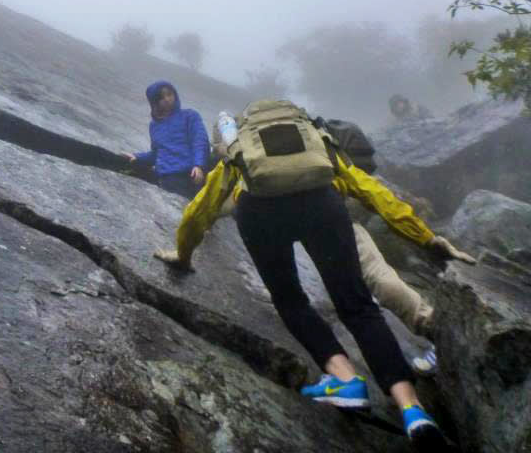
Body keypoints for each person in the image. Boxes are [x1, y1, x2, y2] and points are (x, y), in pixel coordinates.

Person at [155, 100, 456, 448]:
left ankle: (345, 380)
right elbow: (370, 189)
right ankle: (412, 409)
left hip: (262, 215)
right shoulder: (314, 139)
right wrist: (426, 237)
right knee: (358, 306)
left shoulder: (241, 147)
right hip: (323, 206)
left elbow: (202, 209)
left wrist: (184, 253)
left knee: (291, 301)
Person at [123, 81, 210, 199]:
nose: (167, 99)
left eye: (169, 94)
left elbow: (200, 142)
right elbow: (157, 153)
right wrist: (137, 157)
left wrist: (198, 165)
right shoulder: (154, 126)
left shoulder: (190, 116)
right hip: (166, 178)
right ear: (154, 102)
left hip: (189, 175)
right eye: (161, 97)